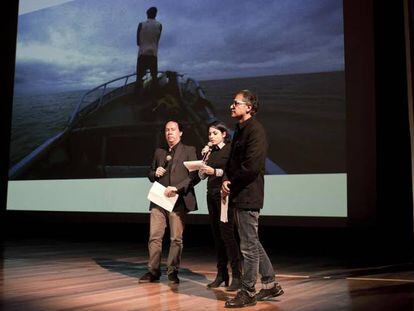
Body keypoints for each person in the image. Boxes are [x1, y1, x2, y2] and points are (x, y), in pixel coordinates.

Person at [222, 90, 284, 308]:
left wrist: (232, 181)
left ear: (249, 107)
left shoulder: (255, 130)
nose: (231, 106)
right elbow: (233, 161)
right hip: (240, 193)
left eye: (236, 103)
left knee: (248, 247)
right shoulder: (239, 130)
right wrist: (226, 177)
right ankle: (270, 285)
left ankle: (248, 292)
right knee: (252, 242)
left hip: (249, 194)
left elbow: (252, 166)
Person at [139, 120, 199, 284]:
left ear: (180, 133)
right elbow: (150, 174)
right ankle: (153, 272)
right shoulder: (160, 152)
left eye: (173, 130)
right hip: (159, 200)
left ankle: (173, 272)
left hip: (177, 200)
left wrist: (177, 189)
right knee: (155, 237)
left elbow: (194, 177)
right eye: (166, 130)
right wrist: (155, 172)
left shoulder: (189, 150)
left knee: (176, 239)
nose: (169, 133)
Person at [199, 121, 242, 291]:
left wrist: (214, 172)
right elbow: (202, 176)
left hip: (225, 195)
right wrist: (203, 162)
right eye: (209, 134)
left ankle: (237, 276)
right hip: (211, 194)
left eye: (215, 133)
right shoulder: (210, 152)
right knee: (217, 235)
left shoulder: (229, 149)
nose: (211, 136)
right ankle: (222, 274)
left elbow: (232, 171)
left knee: (228, 234)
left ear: (224, 134)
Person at [136, 6, 162, 90]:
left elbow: (138, 42)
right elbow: (157, 40)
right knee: (154, 77)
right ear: (155, 14)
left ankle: (137, 96)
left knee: (139, 78)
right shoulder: (160, 26)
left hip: (142, 54)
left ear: (147, 14)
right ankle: (155, 96)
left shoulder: (141, 25)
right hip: (153, 55)